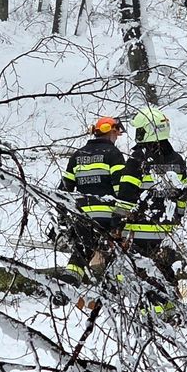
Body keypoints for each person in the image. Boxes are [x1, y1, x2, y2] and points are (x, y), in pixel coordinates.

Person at [114, 106, 187, 314]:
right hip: (166, 231)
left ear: (147, 131)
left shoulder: (138, 160)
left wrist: (116, 224)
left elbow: (126, 196)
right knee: (165, 272)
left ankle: (150, 316)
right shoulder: (177, 160)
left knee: (142, 274)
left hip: (139, 230)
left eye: (139, 131)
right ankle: (172, 309)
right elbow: (183, 195)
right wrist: (177, 220)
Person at [57, 115, 128, 285]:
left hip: (82, 216)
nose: (116, 138)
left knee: (81, 251)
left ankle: (69, 282)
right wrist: (122, 218)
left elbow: (64, 190)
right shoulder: (113, 154)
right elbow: (122, 190)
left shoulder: (77, 155)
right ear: (111, 132)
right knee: (115, 253)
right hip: (107, 217)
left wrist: (63, 219)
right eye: (116, 134)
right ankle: (114, 286)